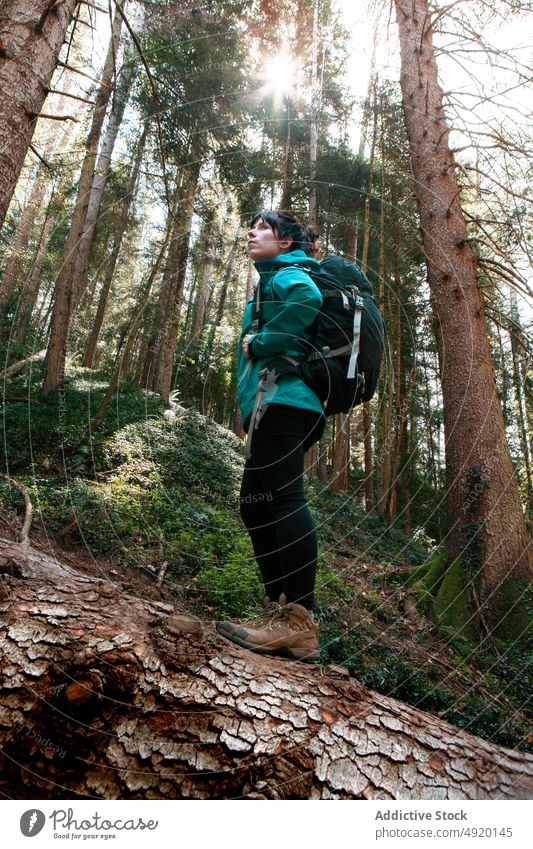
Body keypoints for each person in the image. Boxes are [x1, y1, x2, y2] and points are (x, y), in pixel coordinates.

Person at [216, 210, 326, 661]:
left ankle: (299, 622)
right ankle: (279, 612)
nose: (251, 232)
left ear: (285, 243)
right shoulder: (274, 275)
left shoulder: (288, 272)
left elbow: (306, 300)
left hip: (285, 400)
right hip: (271, 405)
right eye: (252, 226)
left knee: (283, 498)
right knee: (253, 503)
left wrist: (262, 344)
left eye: (263, 228)